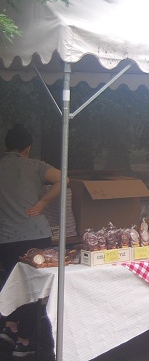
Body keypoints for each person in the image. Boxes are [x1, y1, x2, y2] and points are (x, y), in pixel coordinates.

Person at [0, 124, 65, 358]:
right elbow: (64, 179)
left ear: (6, 146)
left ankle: (11, 326)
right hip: (35, 234)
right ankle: (25, 340)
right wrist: (44, 202)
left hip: (6, 238)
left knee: (12, 283)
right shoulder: (36, 166)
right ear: (28, 148)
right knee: (32, 289)